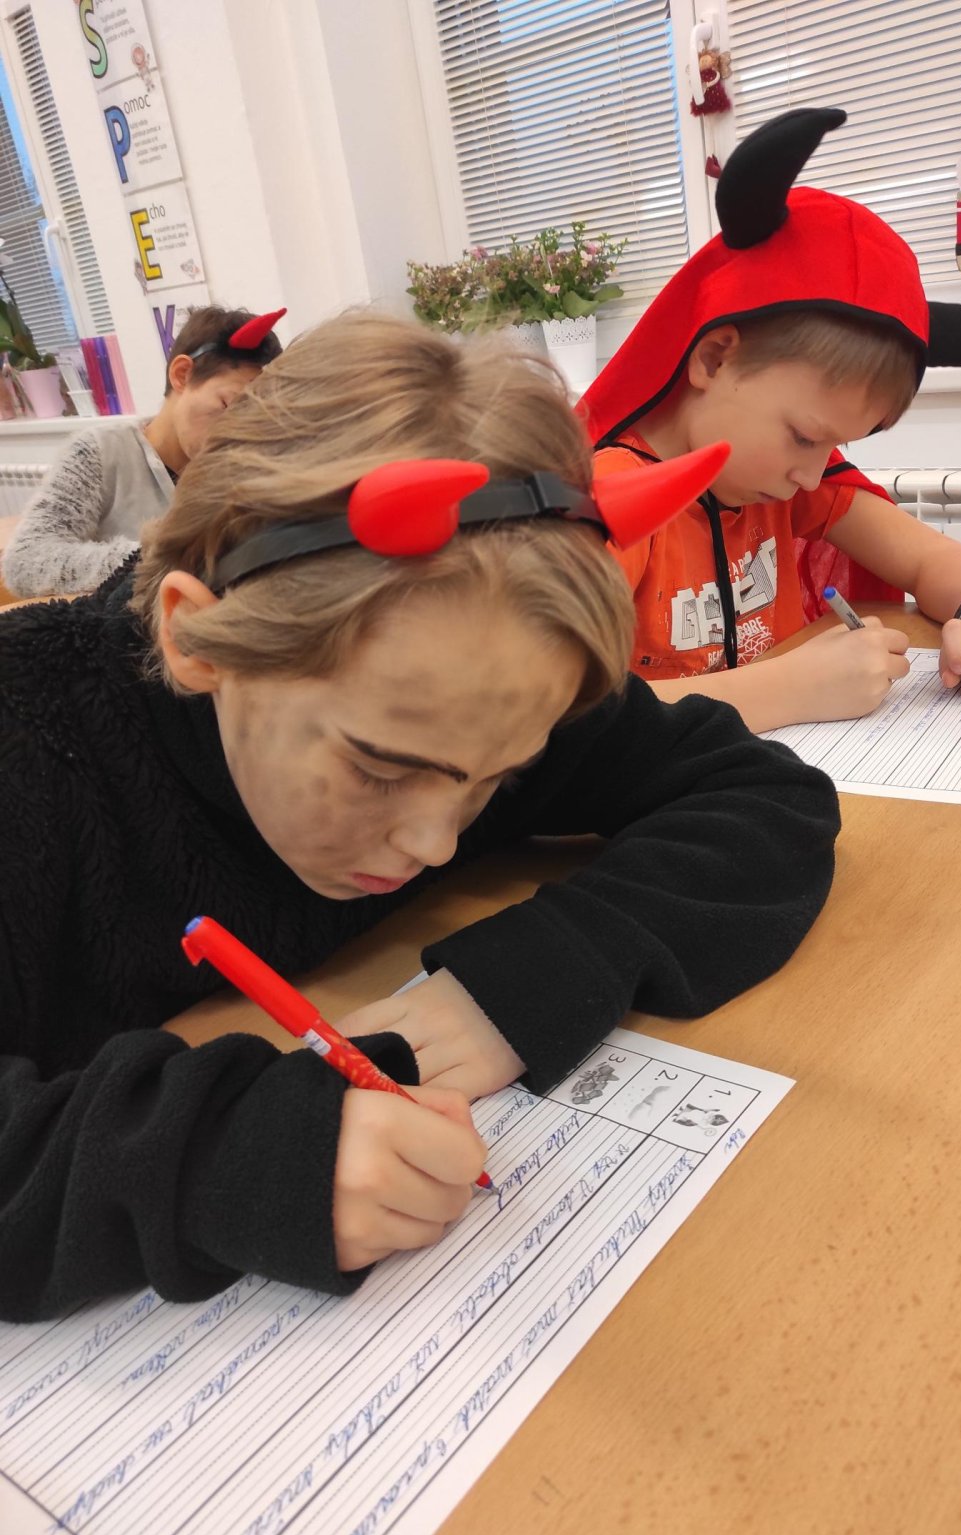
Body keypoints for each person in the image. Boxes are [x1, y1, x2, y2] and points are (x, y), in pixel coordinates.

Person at [0, 310, 841, 1323]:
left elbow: (766, 798)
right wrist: (223, 1158)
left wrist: (538, 974)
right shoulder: (31, 749)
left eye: (494, 780)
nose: (434, 842)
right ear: (199, 640)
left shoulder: (480, 675)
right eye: (379, 769)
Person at [583, 108, 961, 733]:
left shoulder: (783, 483)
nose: (811, 474)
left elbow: (928, 559)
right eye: (803, 436)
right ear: (714, 358)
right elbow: (558, 720)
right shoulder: (608, 506)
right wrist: (789, 688)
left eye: (833, 445)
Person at [0, 305, 284, 599]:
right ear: (182, 374)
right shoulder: (100, 452)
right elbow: (25, 563)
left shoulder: (241, 467)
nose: (238, 433)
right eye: (228, 406)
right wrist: (167, 560)